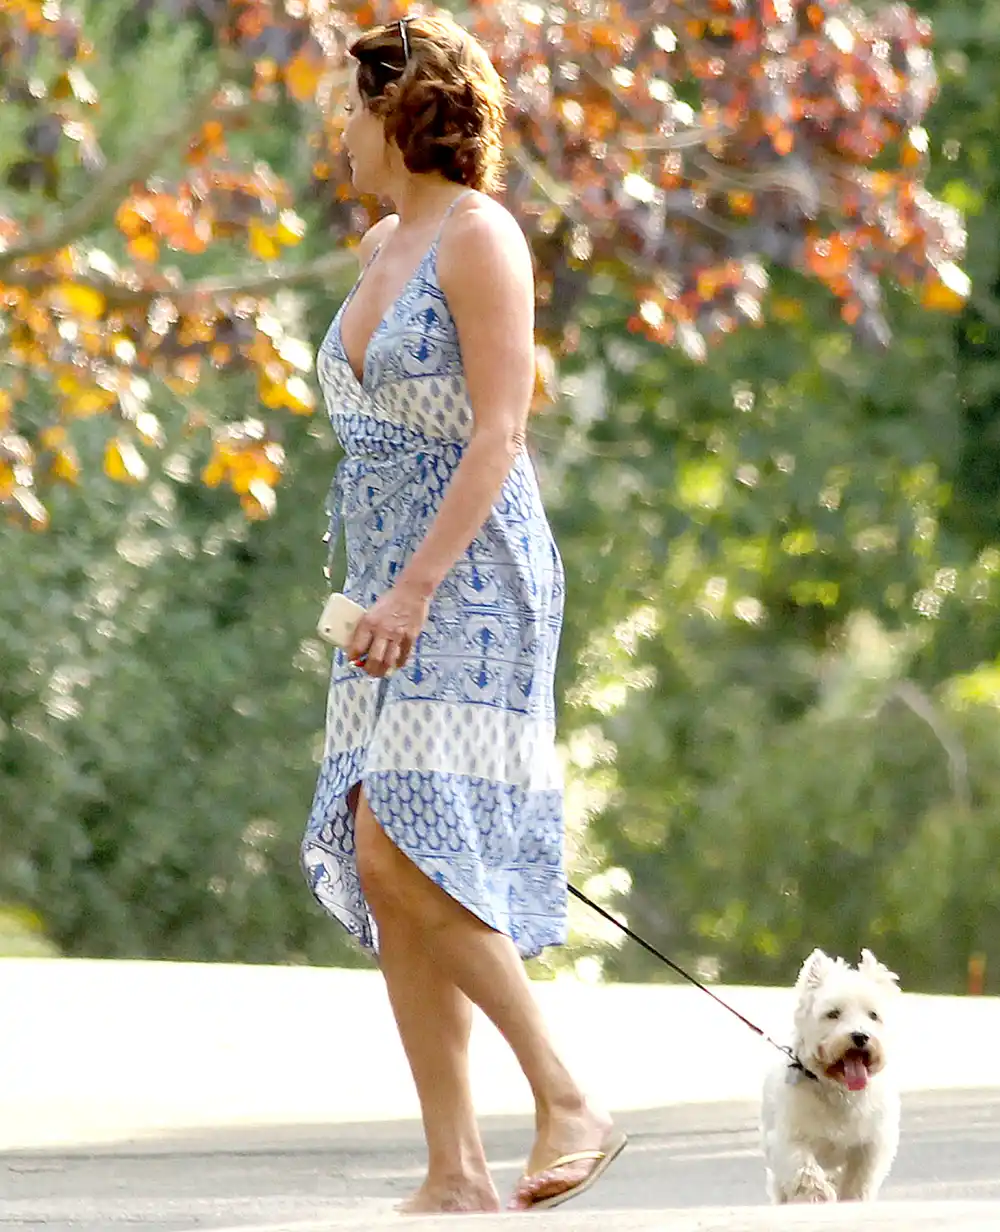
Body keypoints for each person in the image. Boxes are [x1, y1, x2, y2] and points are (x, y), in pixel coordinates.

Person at [301, 12, 626, 1214]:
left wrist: (416, 587)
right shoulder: (385, 242)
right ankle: (456, 1167)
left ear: (401, 108)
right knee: (382, 860)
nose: (337, 129)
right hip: (383, 588)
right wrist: (377, 592)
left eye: (350, 105)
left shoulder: (479, 239)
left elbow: (498, 433)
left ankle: (566, 1093)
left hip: (471, 579)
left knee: (402, 834)